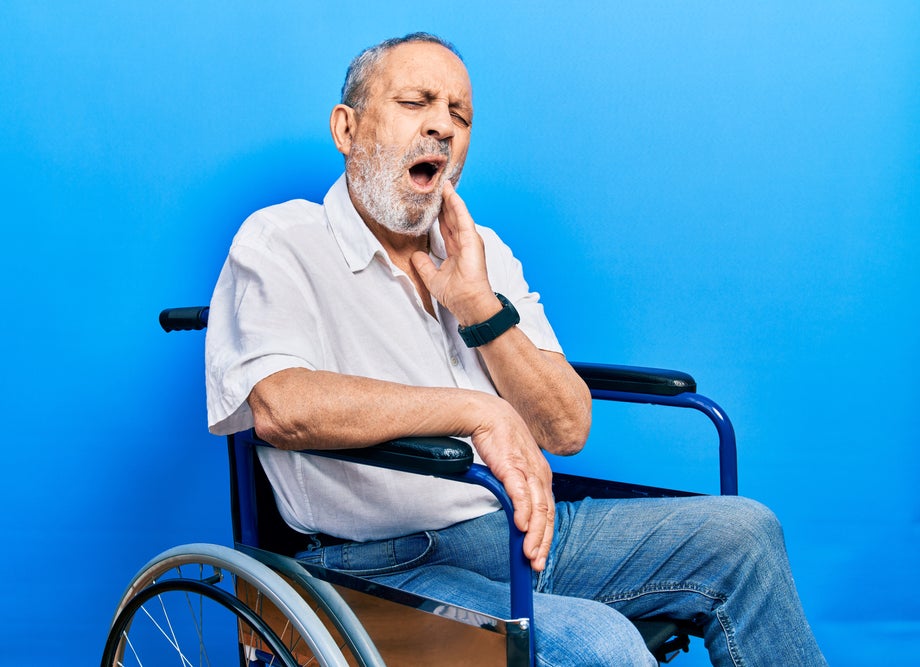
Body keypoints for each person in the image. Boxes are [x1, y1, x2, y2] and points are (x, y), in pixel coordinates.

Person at [205, 32, 827, 666]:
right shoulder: (281, 240)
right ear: (347, 128)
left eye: (460, 115)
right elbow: (282, 405)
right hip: (379, 563)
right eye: (418, 101)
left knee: (744, 534)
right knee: (601, 646)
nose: (442, 127)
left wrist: (479, 307)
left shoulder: (483, 250)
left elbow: (566, 426)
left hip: (519, 530)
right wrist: (477, 412)